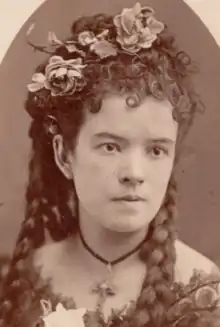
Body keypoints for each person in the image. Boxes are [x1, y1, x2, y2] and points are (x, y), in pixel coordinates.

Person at [0, 2, 219, 327]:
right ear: (64, 155)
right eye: (110, 146)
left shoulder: (202, 292)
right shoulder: (23, 280)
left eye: (156, 151)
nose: (133, 173)